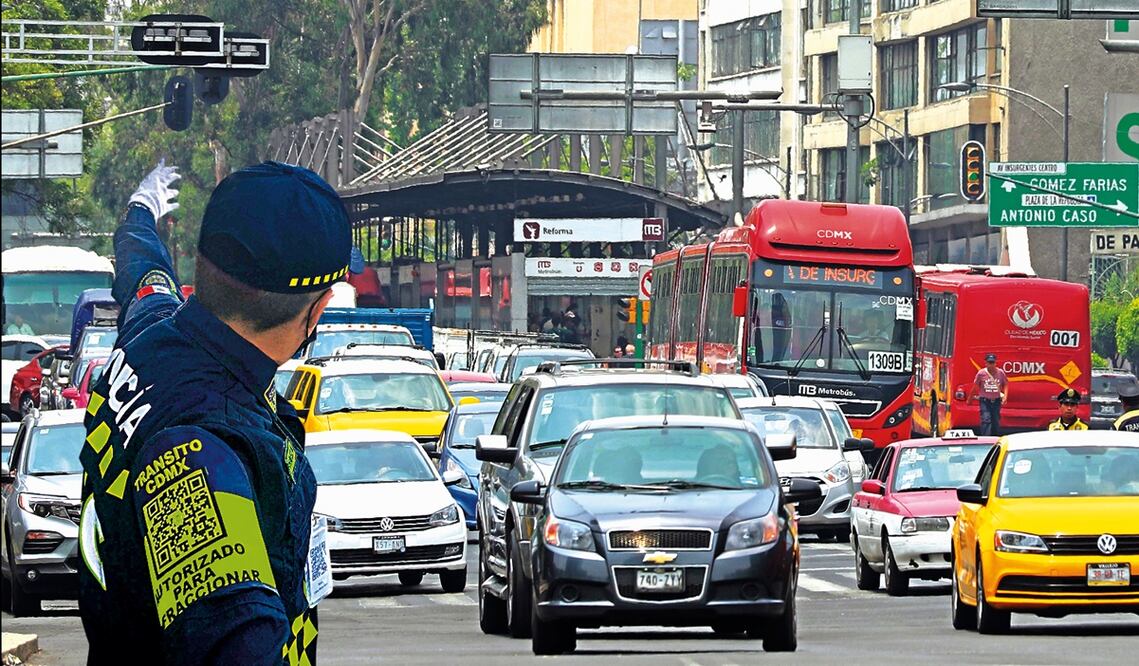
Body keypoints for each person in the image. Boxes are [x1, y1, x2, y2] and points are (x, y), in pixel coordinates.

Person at [79, 160, 360, 665]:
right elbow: (233, 646)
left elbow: (142, 268)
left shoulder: (153, 335)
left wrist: (141, 212)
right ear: (317, 310)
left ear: (202, 266)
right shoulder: (197, 455)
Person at [968, 353, 1008, 436]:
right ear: (986, 363)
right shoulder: (981, 373)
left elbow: (1005, 384)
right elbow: (975, 386)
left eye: (993, 362)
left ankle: (994, 438)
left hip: (996, 401)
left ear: (995, 363)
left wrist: (1005, 397)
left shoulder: (1000, 373)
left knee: (995, 420)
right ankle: (986, 438)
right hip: (985, 401)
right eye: (989, 362)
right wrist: (970, 398)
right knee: (986, 419)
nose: (991, 365)